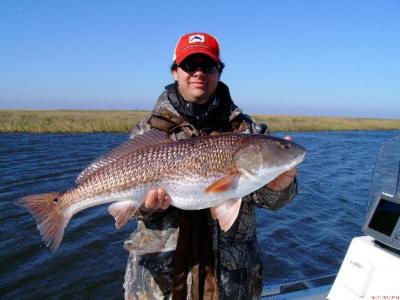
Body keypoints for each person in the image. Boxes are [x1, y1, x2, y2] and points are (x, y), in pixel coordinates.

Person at [123, 32, 298, 300]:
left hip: (232, 282)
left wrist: (280, 187)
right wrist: (145, 207)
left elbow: (272, 201)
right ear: (174, 71)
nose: (199, 73)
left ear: (219, 71)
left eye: (208, 66)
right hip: (159, 284)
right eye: (190, 65)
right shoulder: (147, 131)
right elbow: (131, 208)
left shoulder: (249, 131)